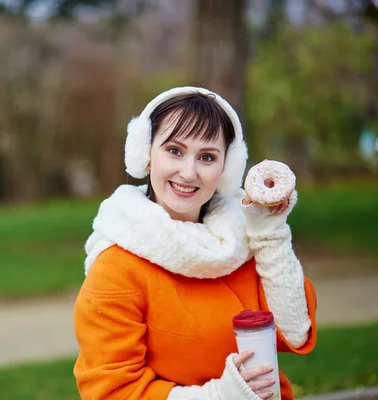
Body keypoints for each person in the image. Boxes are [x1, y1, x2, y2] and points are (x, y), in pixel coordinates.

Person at [73, 87, 317, 400]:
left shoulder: (244, 245)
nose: (188, 173)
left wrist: (269, 233)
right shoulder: (116, 268)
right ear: (145, 154)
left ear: (227, 168)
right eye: (174, 151)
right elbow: (113, 392)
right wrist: (222, 396)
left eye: (207, 157)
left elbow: (295, 331)